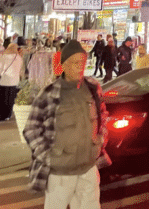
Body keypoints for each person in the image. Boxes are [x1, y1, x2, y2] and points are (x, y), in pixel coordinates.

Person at [23, 40, 111, 208]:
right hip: (60, 173)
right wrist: (47, 157)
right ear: (63, 65)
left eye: (83, 62)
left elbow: (104, 115)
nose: (80, 67)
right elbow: (31, 129)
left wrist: (101, 139)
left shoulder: (93, 87)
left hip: (88, 168)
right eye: (75, 62)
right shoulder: (49, 93)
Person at [0, 43, 24, 121]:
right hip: (14, 81)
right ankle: (8, 115)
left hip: (5, 80)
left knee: (3, 98)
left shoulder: (4, 57)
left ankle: (2, 115)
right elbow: (20, 70)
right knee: (11, 99)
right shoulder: (19, 57)